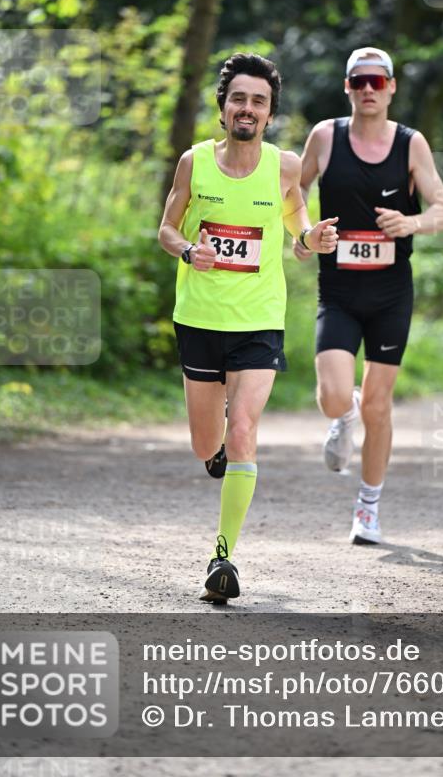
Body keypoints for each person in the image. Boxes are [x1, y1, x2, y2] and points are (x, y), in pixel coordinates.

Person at [158, 52, 338, 602]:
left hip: (260, 320)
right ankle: (216, 447)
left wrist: (310, 240)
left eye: (259, 101)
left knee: (244, 435)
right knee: (205, 443)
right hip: (200, 318)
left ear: (269, 112)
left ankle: (223, 559)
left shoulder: (283, 167)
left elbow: (296, 228)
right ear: (223, 105)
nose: (248, 108)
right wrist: (191, 250)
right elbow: (166, 229)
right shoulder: (195, 162)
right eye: (239, 97)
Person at [294, 46, 443, 544]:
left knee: (380, 407)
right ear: (347, 87)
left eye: (376, 82)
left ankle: (368, 507)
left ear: (390, 88)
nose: (367, 89)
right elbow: (293, 194)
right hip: (338, 289)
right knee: (335, 394)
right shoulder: (324, 136)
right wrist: (304, 236)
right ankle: (344, 415)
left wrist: (412, 222)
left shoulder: (411, 144)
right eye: (358, 81)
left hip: (389, 292)